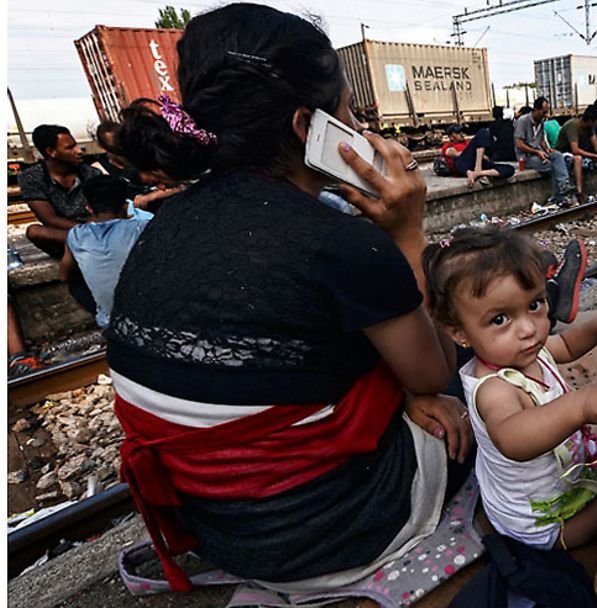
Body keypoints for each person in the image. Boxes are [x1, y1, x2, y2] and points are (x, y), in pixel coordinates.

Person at [108, 3, 471, 594]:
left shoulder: (165, 225)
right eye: (350, 112)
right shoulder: (340, 242)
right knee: (476, 371)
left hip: (217, 529)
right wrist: (406, 233)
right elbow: (432, 371)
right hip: (328, 535)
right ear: (310, 130)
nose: (361, 128)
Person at [423, 226, 597, 552]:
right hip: (541, 523)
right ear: (460, 334)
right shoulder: (494, 389)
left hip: (564, 479)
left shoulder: (525, 350)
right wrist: (583, 404)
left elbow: (565, 343)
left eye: (535, 304)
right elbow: (512, 438)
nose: (529, 329)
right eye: (500, 320)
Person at [58, 176, 151, 329]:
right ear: (125, 206)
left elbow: (63, 276)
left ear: (89, 208)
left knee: (75, 284)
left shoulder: (76, 235)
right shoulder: (142, 228)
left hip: (112, 323)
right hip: (150, 316)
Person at [17, 124, 101, 259]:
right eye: (70, 147)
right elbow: (49, 219)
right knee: (34, 232)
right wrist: (85, 231)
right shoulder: (32, 178)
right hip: (68, 234)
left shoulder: (91, 174)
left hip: (95, 229)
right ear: (51, 152)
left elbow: (104, 209)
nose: (79, 151)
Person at [515, 97, 573, 205]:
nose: (546, 115)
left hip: (538, 152)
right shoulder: (523, 121)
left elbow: (541, 139)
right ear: (536, 110)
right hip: (526, 157)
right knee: (552, 165)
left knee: (558, 156)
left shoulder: (540, 122)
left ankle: (564, 185)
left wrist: (546, 148)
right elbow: (519, 144)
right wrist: (537, 152)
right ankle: (559, 196)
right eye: (544, 112)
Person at [554, 105, 597, 200]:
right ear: (591, 120)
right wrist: (595, 156)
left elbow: (596, 146)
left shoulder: (590, 128)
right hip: (564, 155)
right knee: (578, 159)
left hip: (580, 153)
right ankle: (579, 192)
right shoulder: (573, 125)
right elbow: (575, 150)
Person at [441, 125, 515, 187]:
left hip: (475, 164)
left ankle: (478, 173)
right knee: (482, 132)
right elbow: (454, 153)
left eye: (461, 132)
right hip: (463, 165)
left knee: (510, 169)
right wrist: (477, 152)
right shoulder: (447, 146)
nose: (461, 134)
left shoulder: (466, 142)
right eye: (457, 133)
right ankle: (478, 169)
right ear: (451, 137)